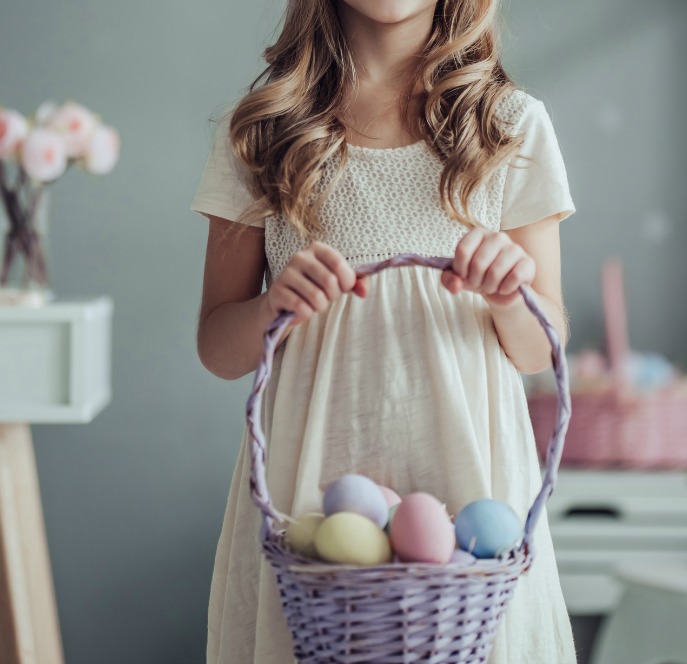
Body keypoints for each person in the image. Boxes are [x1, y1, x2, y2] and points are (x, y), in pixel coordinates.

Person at [190, 0, 577, 662]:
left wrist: (511, 296)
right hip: (311, 491)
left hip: (470, 482)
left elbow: (542, 347)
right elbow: (218, 348)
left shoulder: (509, 126)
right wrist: (269, 307)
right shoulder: (262, 132)